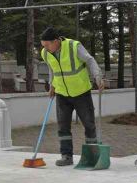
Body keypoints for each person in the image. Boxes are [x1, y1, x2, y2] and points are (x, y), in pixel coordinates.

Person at [40, 27, 105, 166]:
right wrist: (52, 85)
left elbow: (90, 60)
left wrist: (98, 76)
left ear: (56, 41)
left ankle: (92, 156)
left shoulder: (73, 46)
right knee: (63, 126)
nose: (45, 48)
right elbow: (52, 69)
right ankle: (66, 156)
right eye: (43, 45)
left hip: (81, 93)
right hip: (62, 94)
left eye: (47, 45)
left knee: (89, 125)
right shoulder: (45, 53)